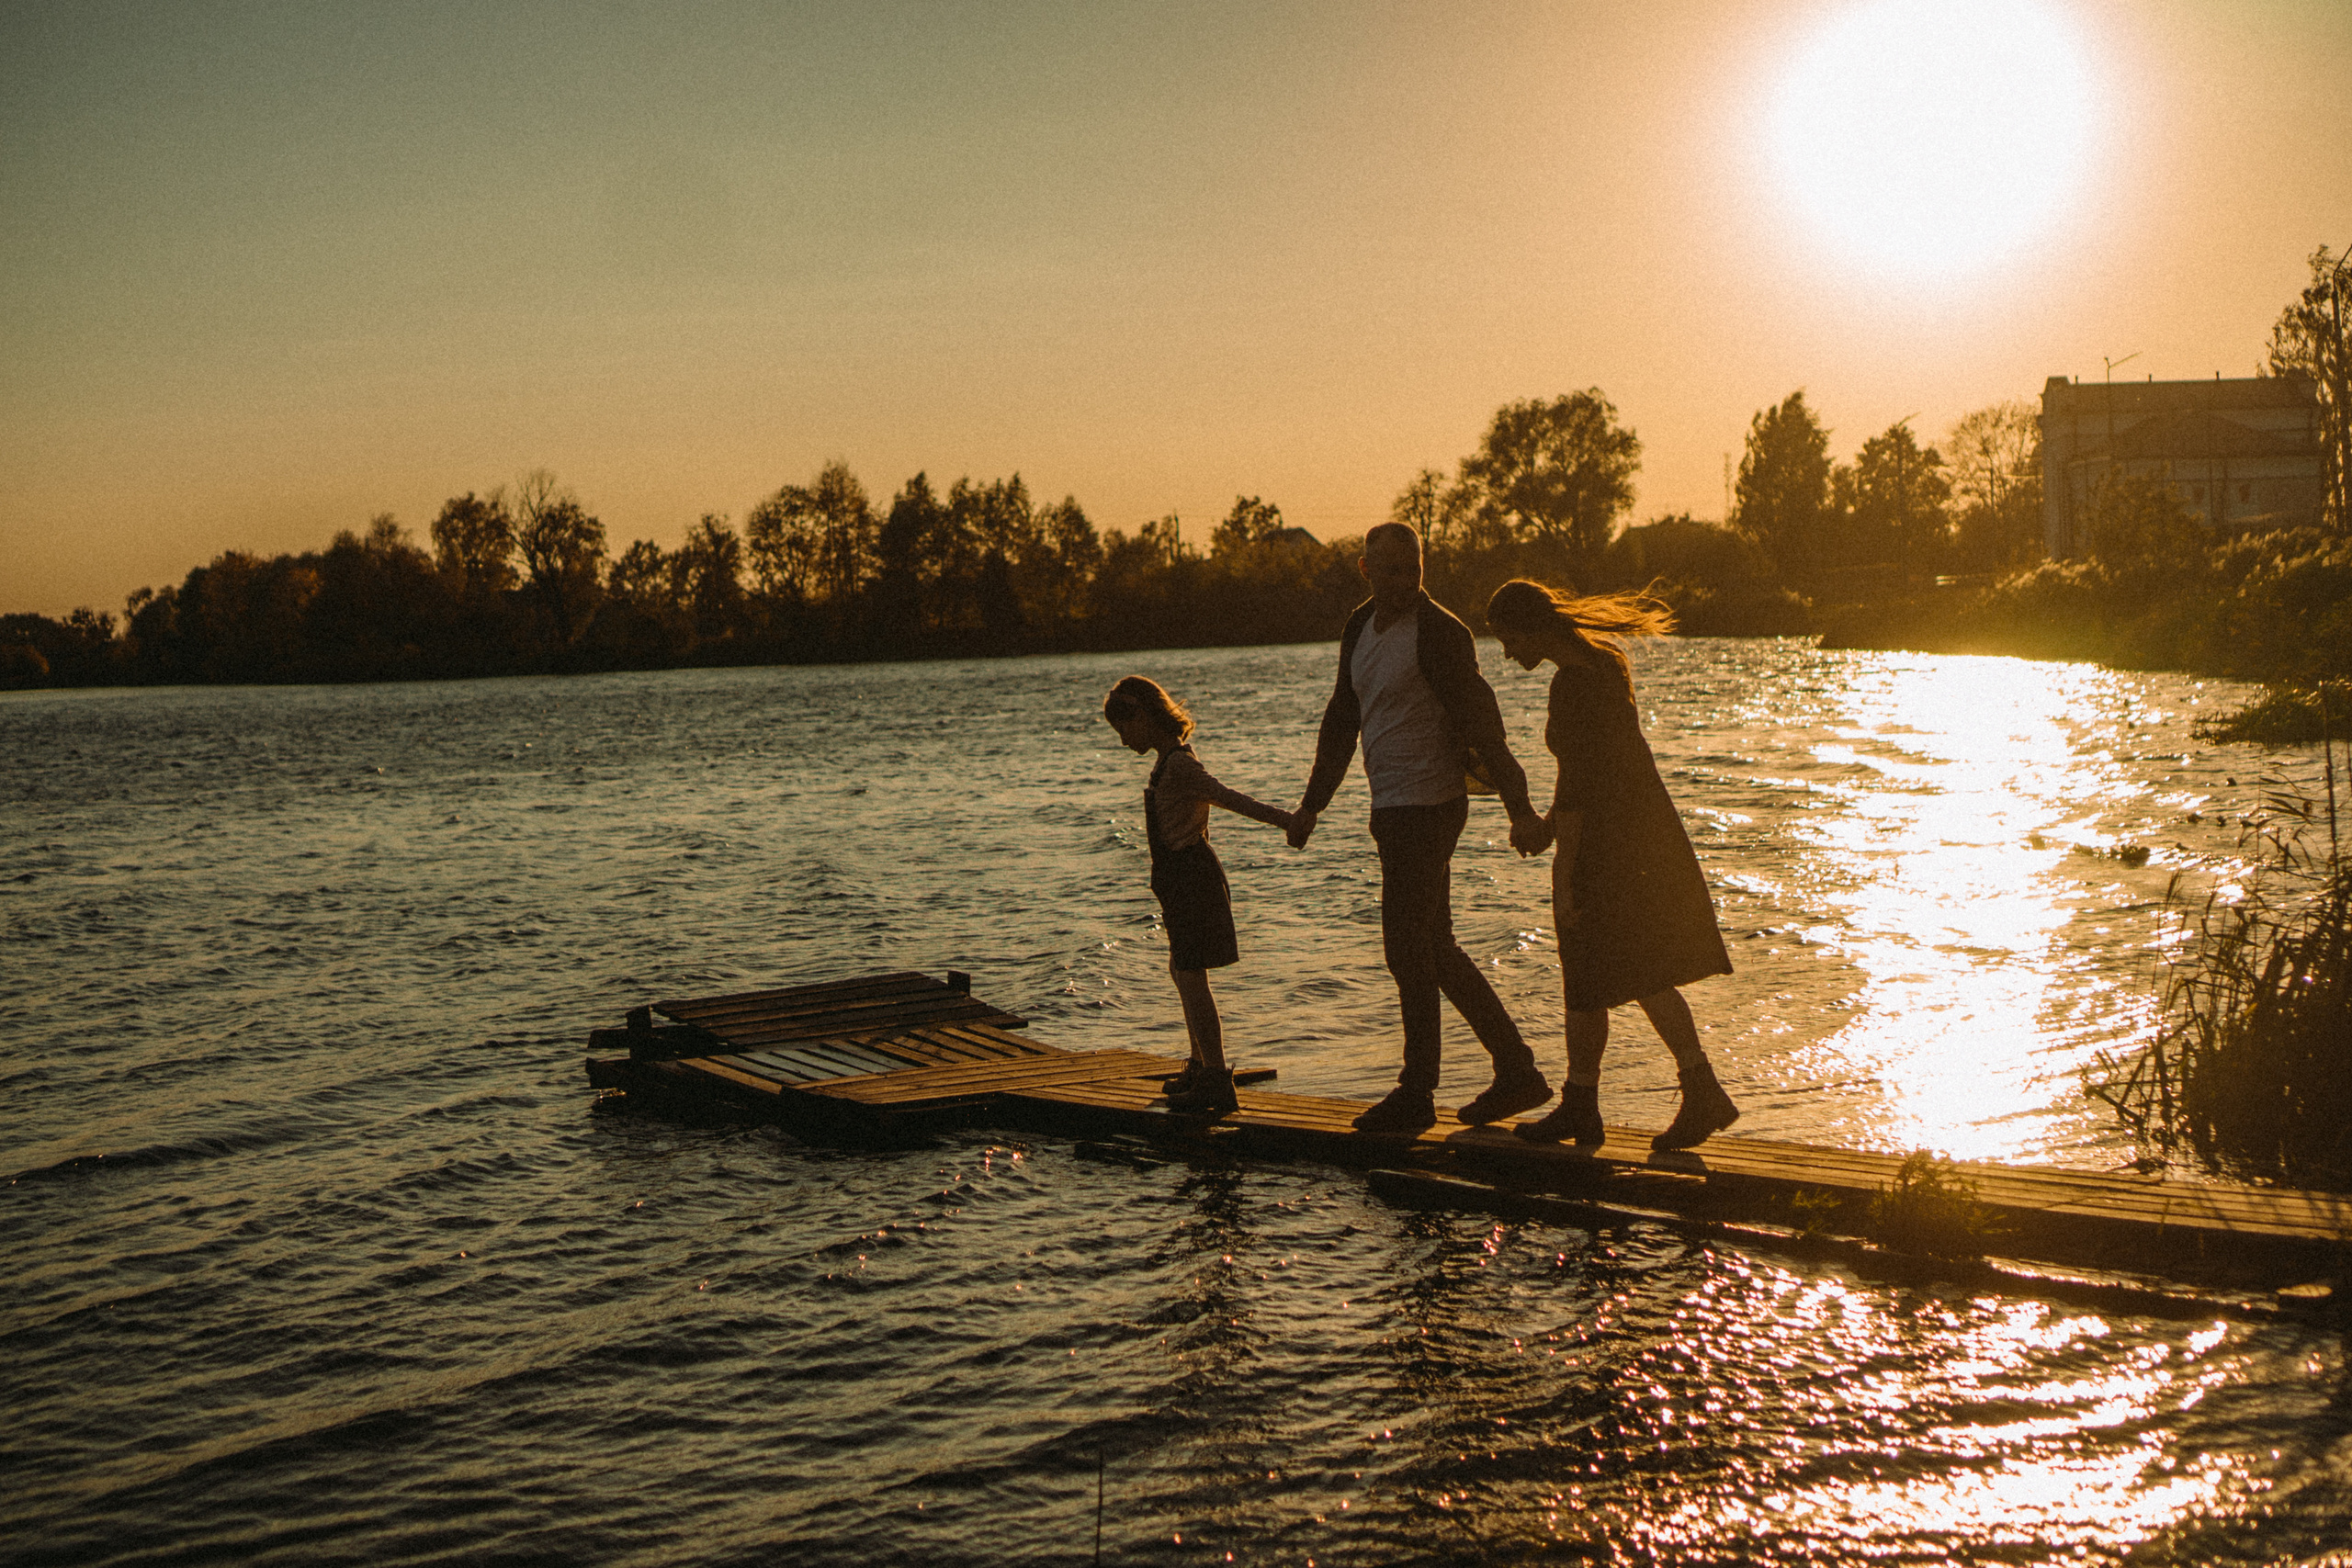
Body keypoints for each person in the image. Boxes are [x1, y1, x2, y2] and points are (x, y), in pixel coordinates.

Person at [1289, 522, 1555, 1135]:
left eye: (1413, 568)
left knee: (1407, 948)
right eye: (1390, 570)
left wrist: (1518, 804)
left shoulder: (1440, 632)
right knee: (1433, 948)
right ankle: (1516, 1069)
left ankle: (1418, 1090)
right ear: (1365, 569)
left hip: (1433, 804)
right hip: (1391, 806)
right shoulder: (1359, 628)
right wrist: (1312, 805)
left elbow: (1483, 721)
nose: (1405, 581)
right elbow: (1342, 717)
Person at [1482, 578, 1738, 1151]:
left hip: (1606, 845)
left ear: (1531, 629)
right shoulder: (1604, 666)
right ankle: (1655, 1094)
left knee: (1600, 970)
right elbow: (1586, 772)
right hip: (1641, 833)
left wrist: (1563, 875)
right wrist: (1549, 825)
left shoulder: (1572, 685)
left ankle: (1609, 1102)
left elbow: (1580, 785)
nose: (1507, 653)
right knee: (1625, 972)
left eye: (1507, 638)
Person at [1104, 675, 1296, 1117]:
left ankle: (1216, 1080)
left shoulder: (1181, 767)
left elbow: (1232, 799)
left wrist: (1289, 822)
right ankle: (1198, 1064)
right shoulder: (1166, 762)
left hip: (1193, 880)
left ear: (1146, 717)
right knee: (1181, 970)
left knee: (1192, 976)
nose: (1122, 742)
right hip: (1178, 880)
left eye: (1124, 729)